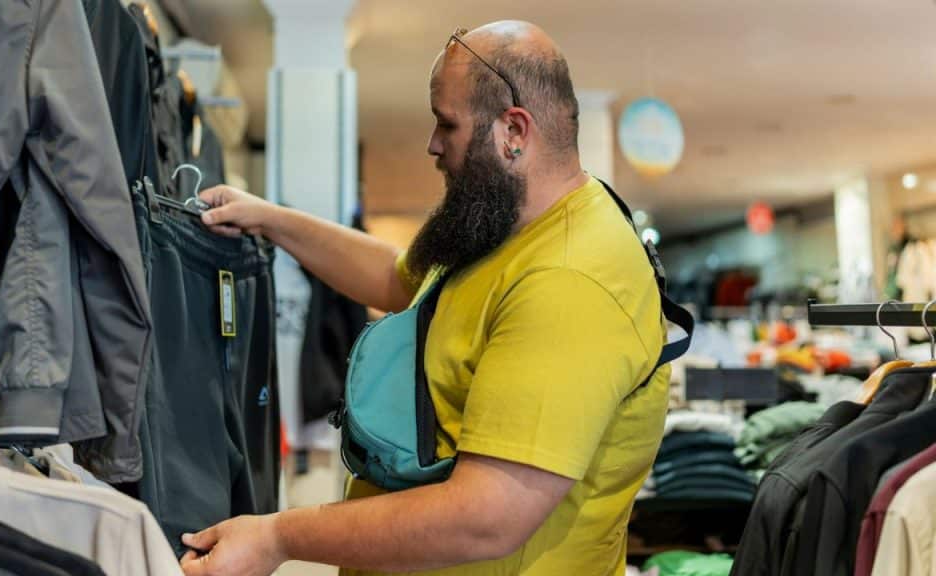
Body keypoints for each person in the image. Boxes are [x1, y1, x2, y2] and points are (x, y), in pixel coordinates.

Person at [180, 20, 671, 576]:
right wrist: (269, 219)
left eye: (448, 124)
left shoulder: (570, 280)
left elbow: (487, 515)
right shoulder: (506, 224)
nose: (433, 144)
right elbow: (400, 279)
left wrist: (277, 536)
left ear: (513, 130)